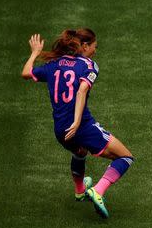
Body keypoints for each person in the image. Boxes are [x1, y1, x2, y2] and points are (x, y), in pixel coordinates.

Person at [21, 29, 134, 218]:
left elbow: (26, 73)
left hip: (60, 130)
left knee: (79, 152)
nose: (95, 51)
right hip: (80, 126)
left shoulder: (53, 64)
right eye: (94, 47)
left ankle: (80, 190)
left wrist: (34, 52)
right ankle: (98, 190)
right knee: (125, 157)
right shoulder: (89, 65)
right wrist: (77, 122)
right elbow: (81, 92)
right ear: (84, 46)